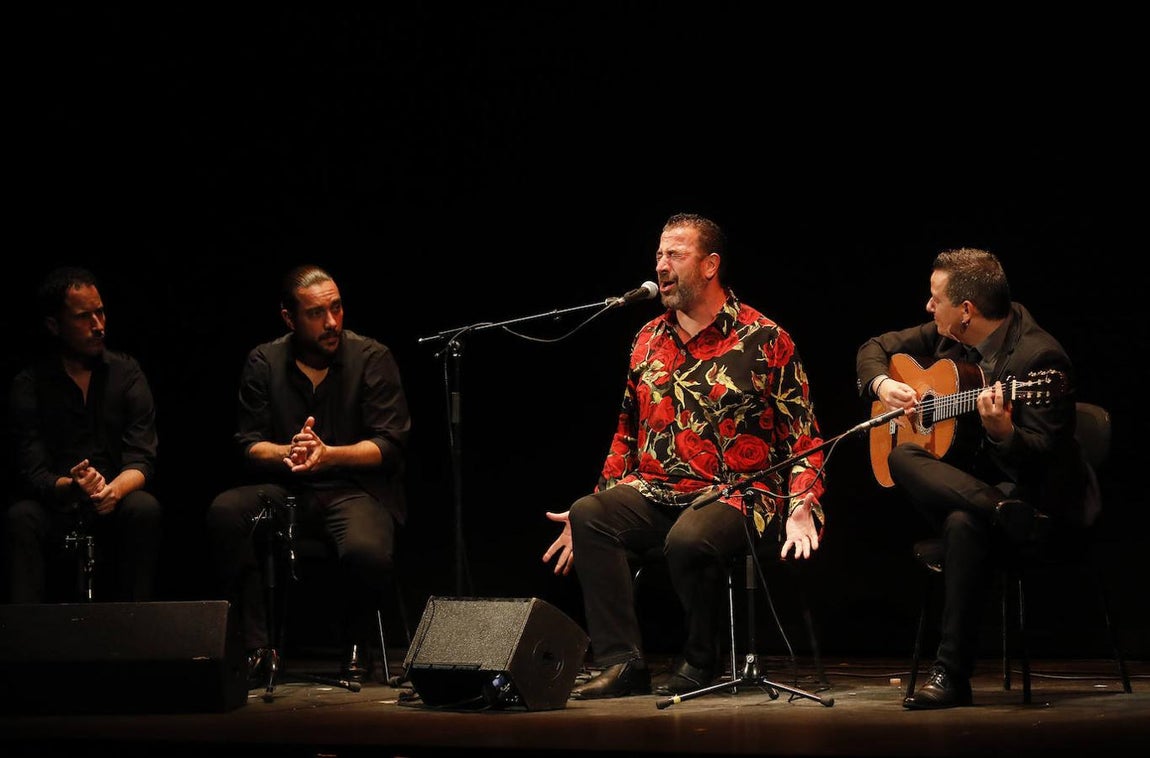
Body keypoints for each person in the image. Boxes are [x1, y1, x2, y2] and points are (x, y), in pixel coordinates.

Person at [542, 212, 828, 699]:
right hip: (658, 489)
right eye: (658, 254)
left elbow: (806, 439)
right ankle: (622, 663)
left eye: (675, 254)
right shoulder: (647, 339)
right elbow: (625, 437)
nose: (661, 265)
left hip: (740, 494)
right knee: (591, 515)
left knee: (689, 539)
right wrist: (596, 499)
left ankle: (701, 658)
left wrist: (802, 504)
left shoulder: (765, 339)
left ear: (710, 264)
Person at [856, 247, 1092, 710]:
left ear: (966, 311)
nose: (928, 307)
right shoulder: (950, 339)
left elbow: (1046, 461)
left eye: (935, 299)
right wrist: (884, 386)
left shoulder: (1040, 359)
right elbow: (874, 348)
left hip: (1033, 499)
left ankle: (951, 676)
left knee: (964, 524)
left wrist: (1004, 434)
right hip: (984, 494)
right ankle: (995, 511)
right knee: (902, 455)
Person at [206, 264, 411, 684]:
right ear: (289, 318)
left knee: (366, 550)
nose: (332, 322)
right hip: (287, 491)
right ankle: (257, 647)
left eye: (336, 308)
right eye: (317, 313)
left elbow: (389, 445)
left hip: (355, 491)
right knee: (226, 512)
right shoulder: (264, 361)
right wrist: (290, 452)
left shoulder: (372, 357)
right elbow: (249, 443)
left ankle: (358, 644)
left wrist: (328, 455)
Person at [3, 266, 163, 603]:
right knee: (21, 517)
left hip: (114, 501)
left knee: (144, 508)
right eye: (83, 317)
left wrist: (113, 491)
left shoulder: (126, 372)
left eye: (100, 312)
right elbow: (31, 471)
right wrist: (72, 486)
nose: (98, 325)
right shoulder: (29, 385)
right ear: (53, 325)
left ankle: (137, 633)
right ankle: (29, 645)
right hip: (57, 505)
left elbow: (142, 456)